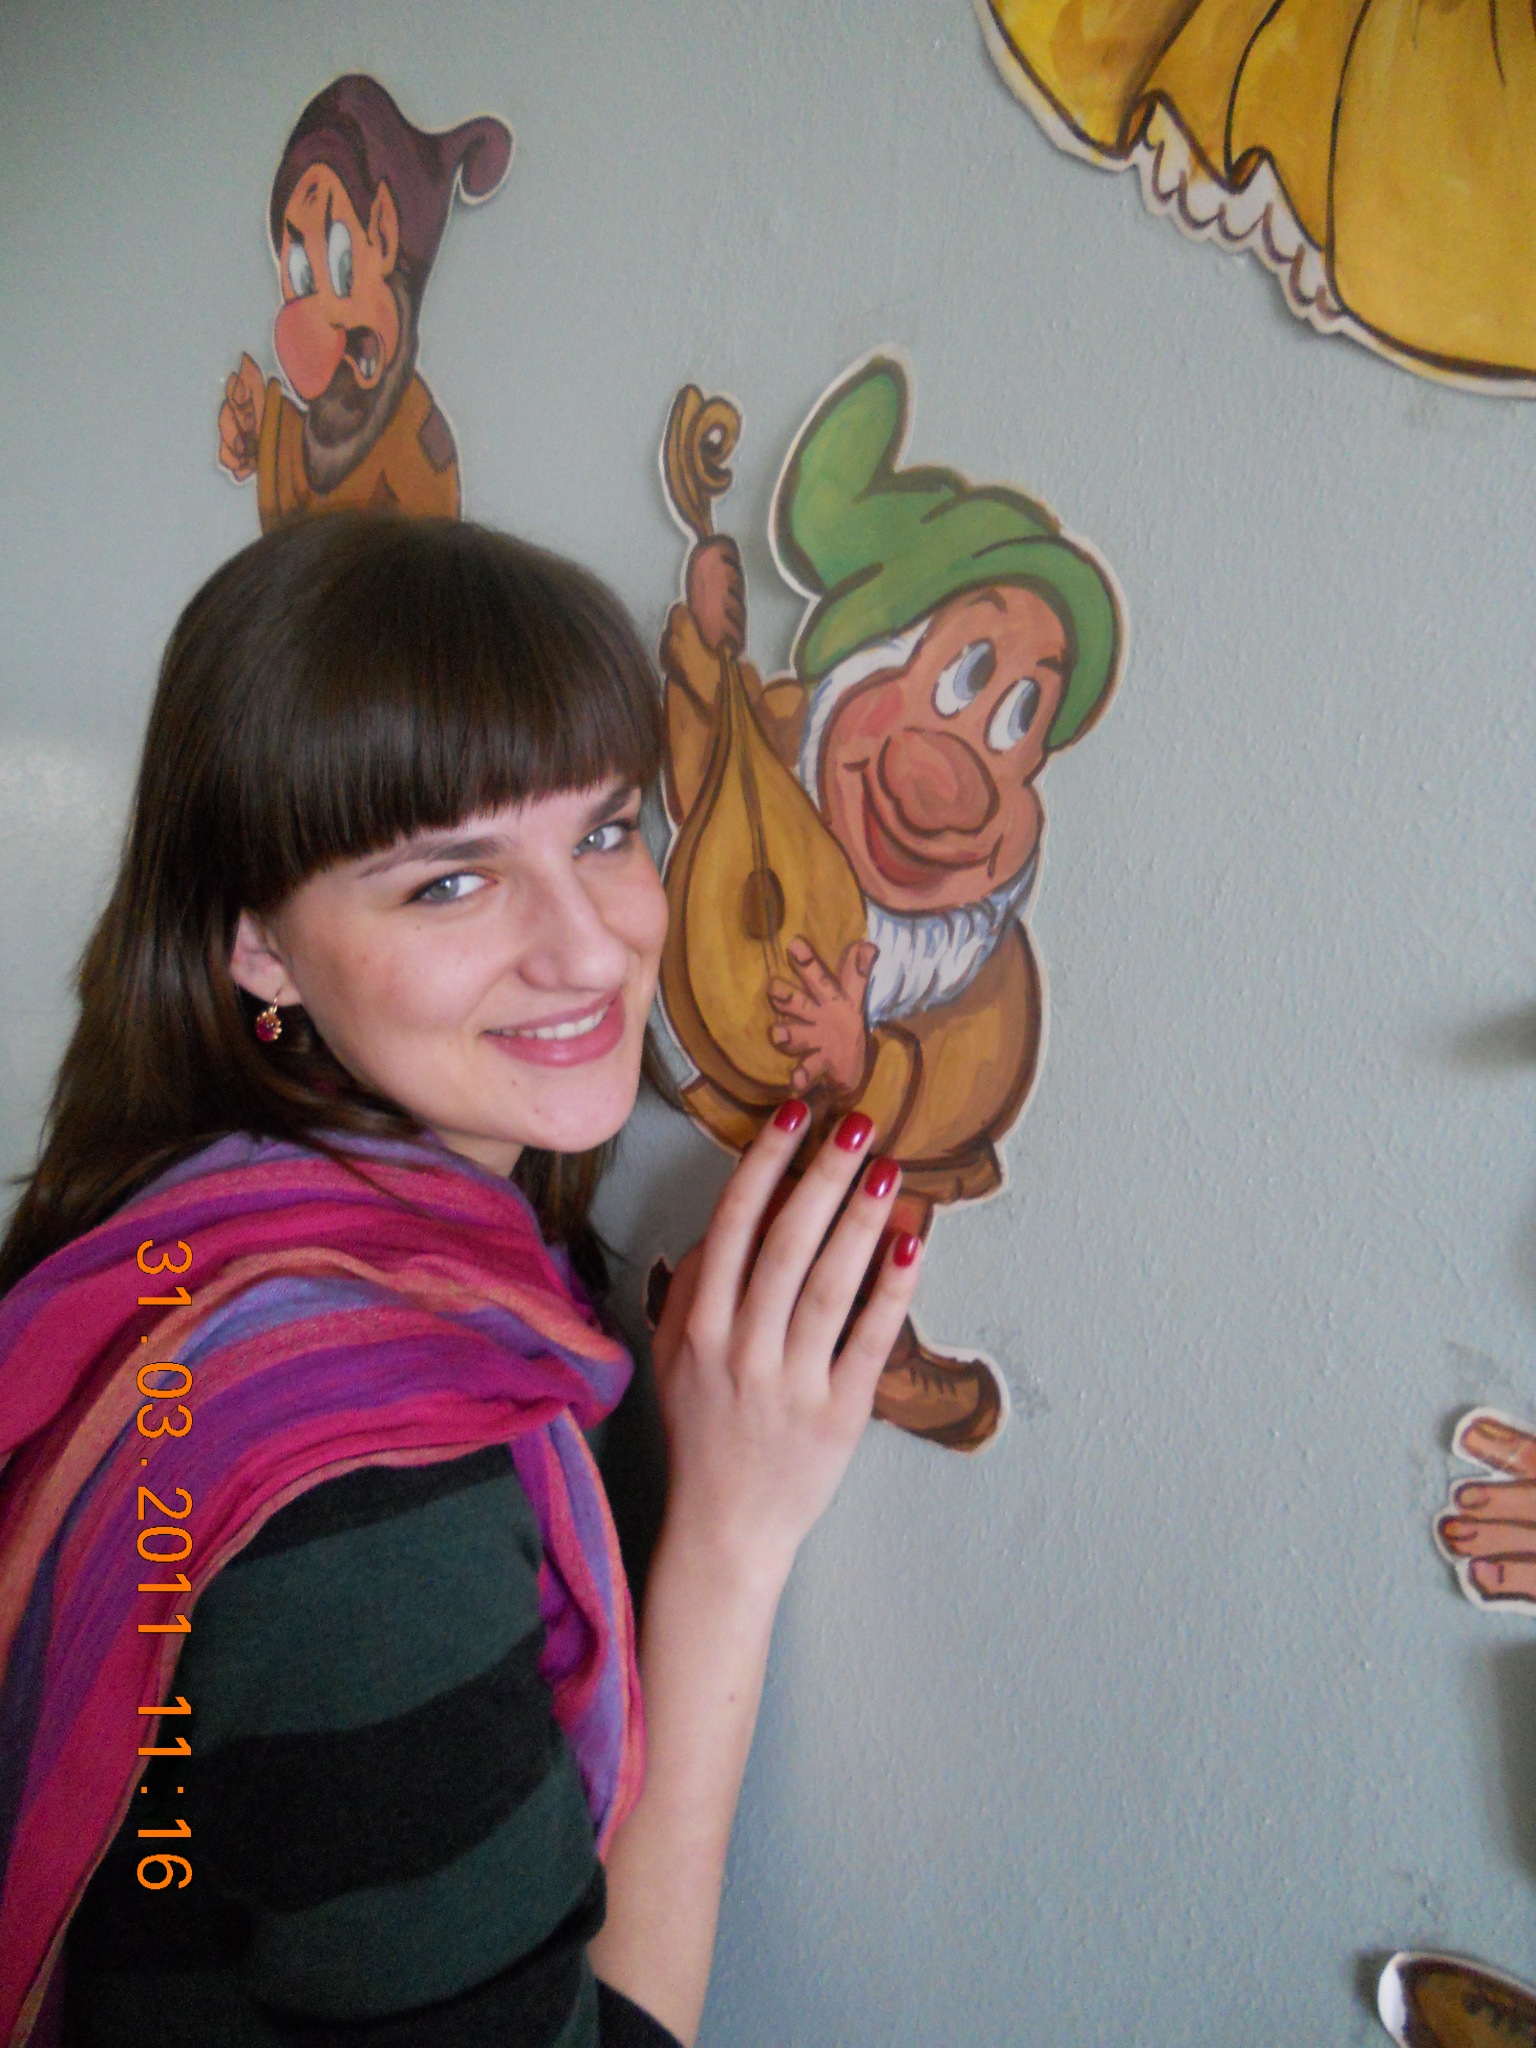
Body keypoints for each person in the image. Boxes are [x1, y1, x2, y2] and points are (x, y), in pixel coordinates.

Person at [0, 514, 924, 2048]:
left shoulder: (181, 1229)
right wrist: (730, 1544)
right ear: (259, 945)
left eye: (606, 831)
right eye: (447, 882)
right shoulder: (371, 1513)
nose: (589, 951)